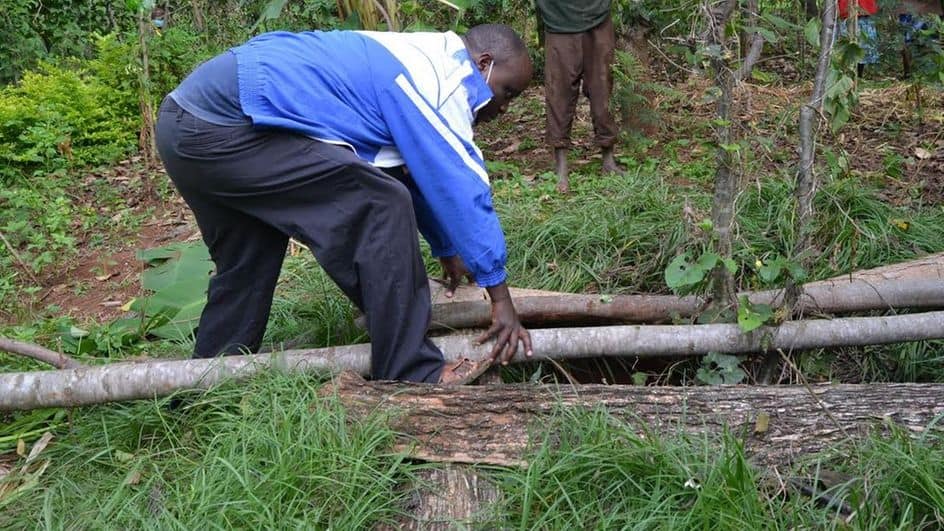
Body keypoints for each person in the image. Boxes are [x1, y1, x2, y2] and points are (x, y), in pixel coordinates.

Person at [155, 25, 534, 385]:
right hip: (225, 126)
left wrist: (447, 248)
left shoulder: (419, 56)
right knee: (381, 203)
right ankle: (411, 371)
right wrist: (499, 296)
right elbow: (459, 186)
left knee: (249, 258)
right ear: (483, 64)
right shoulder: (445, 80)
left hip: (184, 126)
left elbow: (412, 169)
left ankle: (207, 382)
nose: (504, 108)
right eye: (508, 92)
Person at [536, 0, 622, 194]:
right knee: (559, 91)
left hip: (598, 17)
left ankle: (608, 158)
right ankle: (561, 167)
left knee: (602, 87)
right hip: (558, 19)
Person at [837, 0, 880, 77]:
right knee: (847, 43)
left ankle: (859, 74)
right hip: (847, 13)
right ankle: (847, 72)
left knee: (864, 45)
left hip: (864, 12)